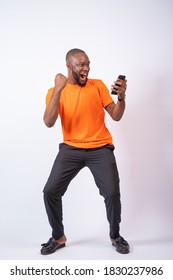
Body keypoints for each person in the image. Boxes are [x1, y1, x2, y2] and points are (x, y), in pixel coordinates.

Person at [41, 48, 129, 255]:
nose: (86, 68)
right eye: (81, 64)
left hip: (100, 148)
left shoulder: (97, 86)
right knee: (50, 191)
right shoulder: (55, 91)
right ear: (68, 66)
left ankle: (115, 235)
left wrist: (122, 98)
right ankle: (58, 237)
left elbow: (116, 116)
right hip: (71, 148)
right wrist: (57, 90)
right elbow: (48, 122)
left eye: (88, 64)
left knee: (112, 193)